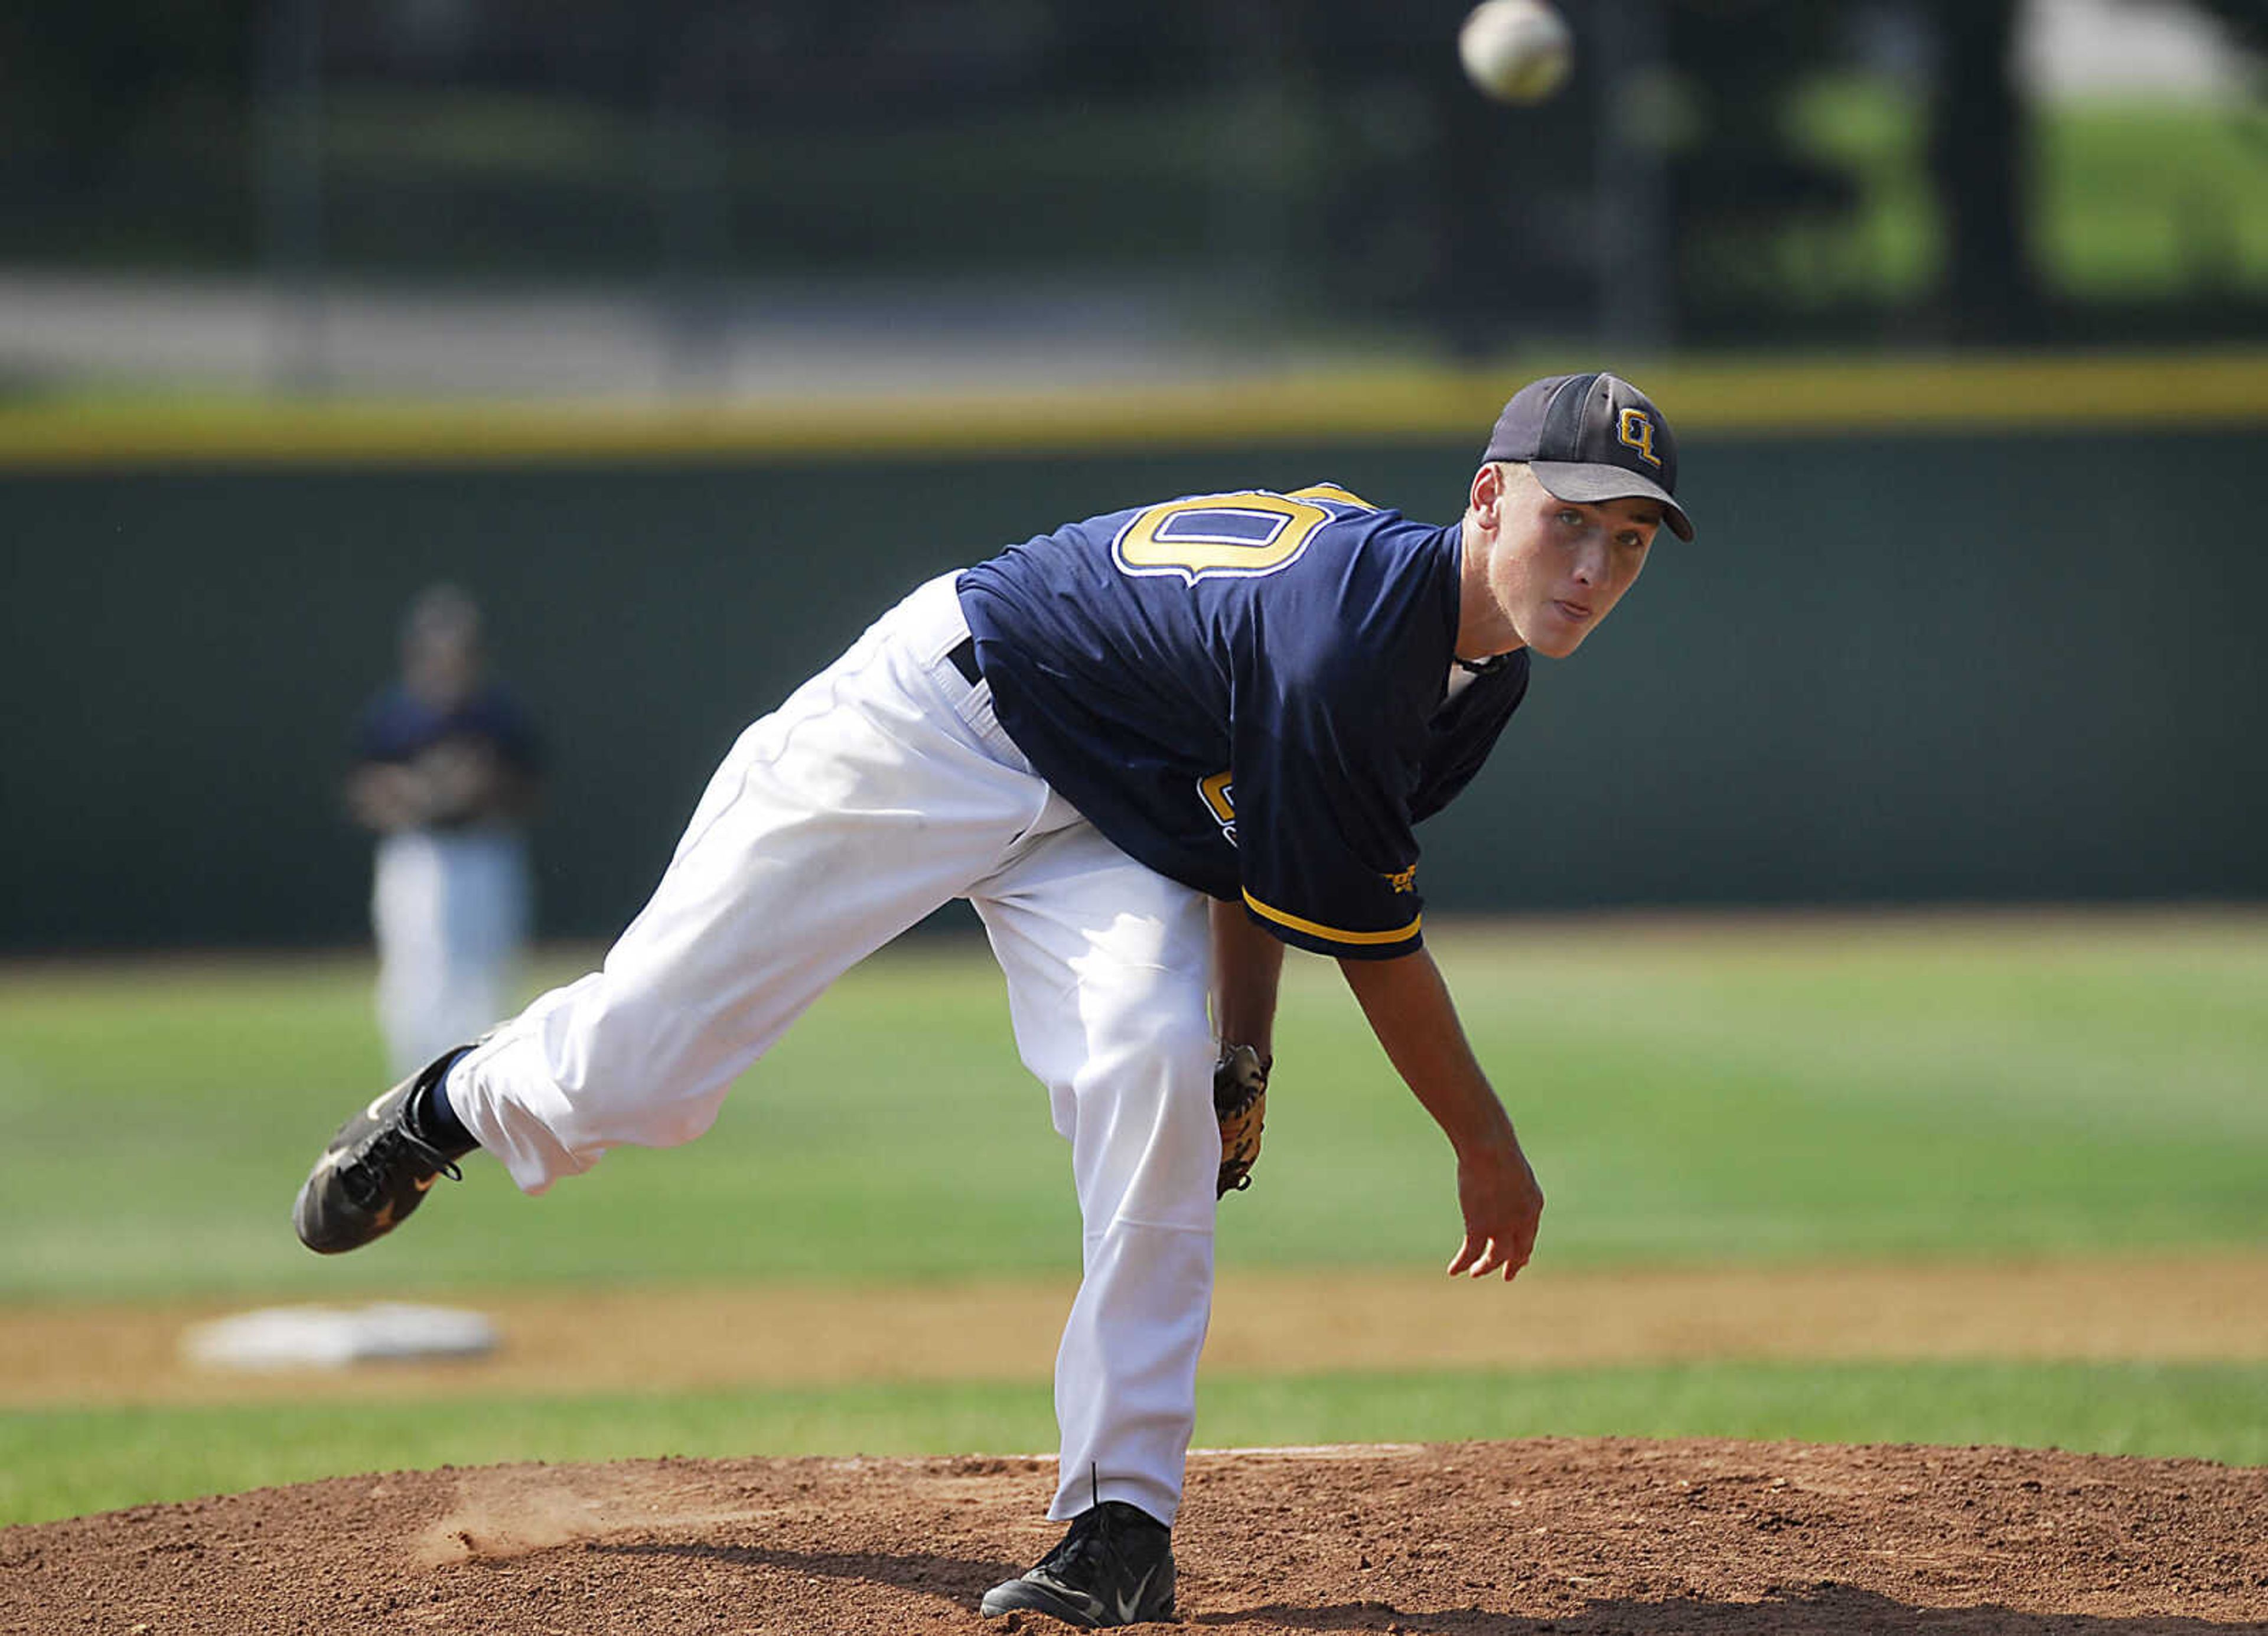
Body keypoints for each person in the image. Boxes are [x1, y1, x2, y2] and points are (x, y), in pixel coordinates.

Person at [293, 372, 1693, 1628]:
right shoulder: (1354, 639)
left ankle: (1120, 1527)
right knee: (645, 1065)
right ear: (1488, 494)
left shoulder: (1477, 665)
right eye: (1572, 521)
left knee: (1158, 1070)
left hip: (1111, 809)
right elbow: (1375, 947)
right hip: (941, 716)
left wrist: (1241, 1051)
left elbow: (1265, 855)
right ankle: (444, 1104)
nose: (1593, 564)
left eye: (1626, 543)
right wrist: (1484, 1143)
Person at [346, 584, 543, 1078]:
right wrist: (414, 793)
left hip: (484, 850)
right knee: (417, 974)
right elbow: (364, 790)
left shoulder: (497, 715)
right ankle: (415, 1093)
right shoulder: (396, 715)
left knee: (487, 974)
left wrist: (479, 788)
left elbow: (530, 789)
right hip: (419, 855)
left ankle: (483, 1087)